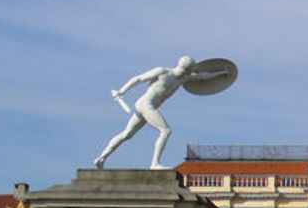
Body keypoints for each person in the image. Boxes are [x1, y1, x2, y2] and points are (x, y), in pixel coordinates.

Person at [94, 56, 225, 169]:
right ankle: (155, 164)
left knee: (126, 135)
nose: (192, 72)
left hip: (146, 107)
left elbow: (203, 77)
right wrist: (122, 91)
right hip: (146, 105)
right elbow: (138, 79)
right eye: (192, 69)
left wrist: (222, 72)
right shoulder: (163, 71)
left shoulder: (183, 78)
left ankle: (101, 158)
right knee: (165, 131)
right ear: (188, 68)